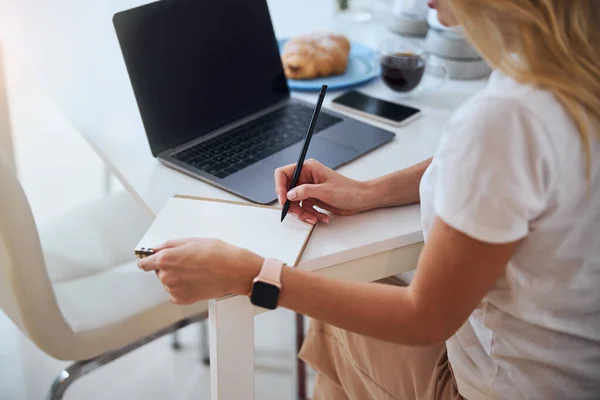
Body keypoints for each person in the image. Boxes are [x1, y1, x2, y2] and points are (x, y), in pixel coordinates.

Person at [138, 0, 600, 398]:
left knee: (335, 326)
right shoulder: (569, 70)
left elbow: (425, 318)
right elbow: (494, 167)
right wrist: (368, 193)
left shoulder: (505, 119)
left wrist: (248, 274)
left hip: (511, 388)